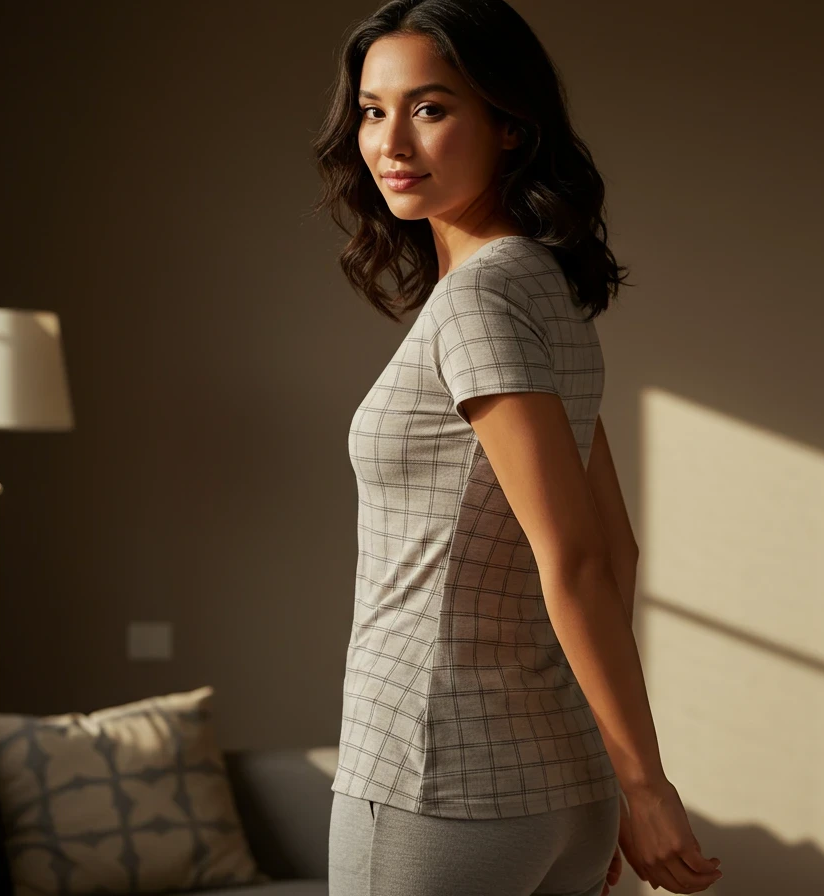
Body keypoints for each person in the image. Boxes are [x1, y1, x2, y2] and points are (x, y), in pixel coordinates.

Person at [310, 1, 723, 893]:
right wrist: (615, 780)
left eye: (430, 108)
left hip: (432, 773)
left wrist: (648, 788)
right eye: (374, 111)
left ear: (510, 123)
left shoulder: (476, 302)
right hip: (558, 788)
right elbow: (614, 549)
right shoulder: (542, 287)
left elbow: (576, 558)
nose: (391, 143)